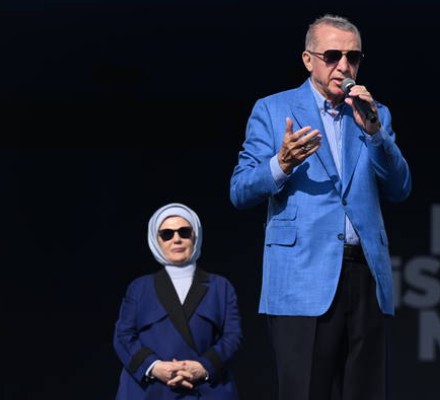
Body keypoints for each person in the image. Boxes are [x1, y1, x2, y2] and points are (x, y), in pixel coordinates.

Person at [229, 13, 411, 400]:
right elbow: (240, 190)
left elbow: (400, 188)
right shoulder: (273, 109)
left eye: (353, 57)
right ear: (308, 60)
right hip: (301, 277)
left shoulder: (375, 113)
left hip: (365, 275)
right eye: (332, 56)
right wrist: (281, 164)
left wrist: (376, 135)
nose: (344, 66)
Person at [113, 202, 243, 400]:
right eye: (167, 234)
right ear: (156, 240)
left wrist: (203, 367)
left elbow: (233, 337)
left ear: (195, 236)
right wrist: (154, 367)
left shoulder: (220, 286)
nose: (177, 239)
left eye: (184, 232)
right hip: (150, 391)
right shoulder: (139, 288)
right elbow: (123, 336)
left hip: (206, 390)